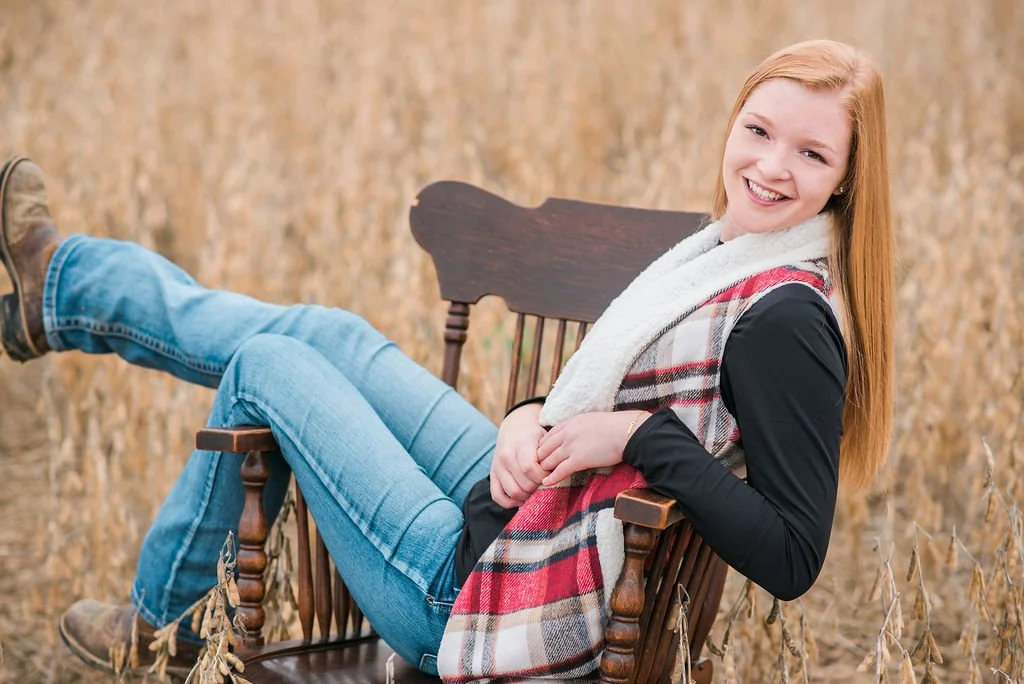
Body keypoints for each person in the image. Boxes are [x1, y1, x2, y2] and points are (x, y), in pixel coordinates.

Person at [1, 38, 893, 680]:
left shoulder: (784, 318)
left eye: (812, 154)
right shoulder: (730, 251)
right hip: (535, 508)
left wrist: (637, 437)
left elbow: (791, 555)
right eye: (759, 131)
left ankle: (165, 625)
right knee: (332, 335)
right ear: (733, 122)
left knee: (270, 365)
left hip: (488, 600)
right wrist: (526, 415)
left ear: (847, 179)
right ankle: (64, 289)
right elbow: (634, 374)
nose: (772, 167)